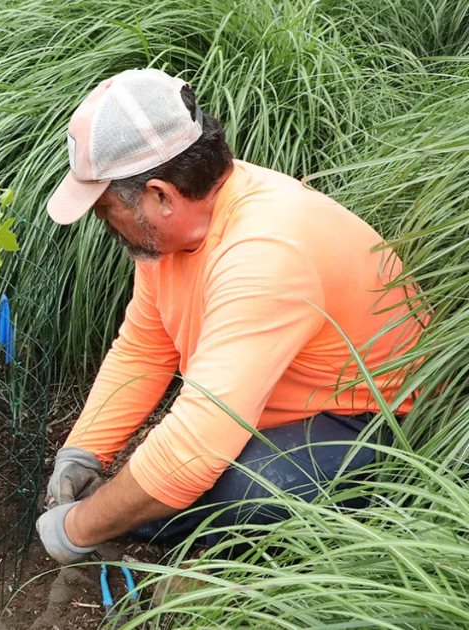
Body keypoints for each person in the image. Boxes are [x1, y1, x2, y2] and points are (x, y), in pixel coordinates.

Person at [36, 69, 424, 565]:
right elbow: (143, 348)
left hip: (372, 423)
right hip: (281, 407)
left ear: (161, 196)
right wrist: (84, 452)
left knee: (211, 497)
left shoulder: (265, 250)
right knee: (148, 496)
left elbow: (193, 449)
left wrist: (75, 529)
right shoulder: (166, 242)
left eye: (105, 207)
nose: (102, 222)